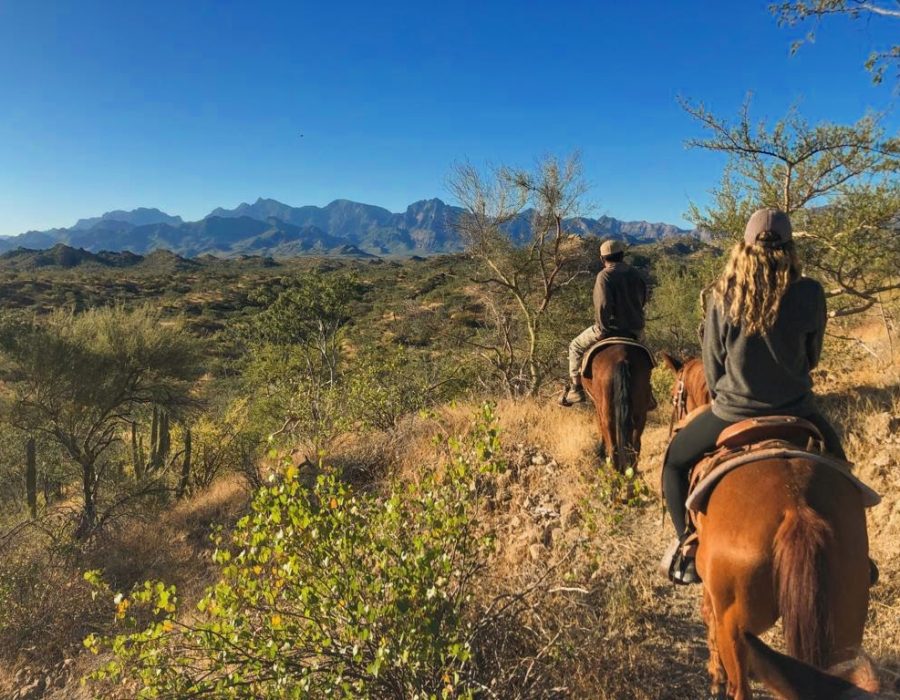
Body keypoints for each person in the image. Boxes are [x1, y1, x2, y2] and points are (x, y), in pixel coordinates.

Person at [660, 207, 846, 585]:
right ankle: (855, 552)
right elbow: (813, 357)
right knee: (841, 465)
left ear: (744, 247)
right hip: (799, 410)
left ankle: (688, 544)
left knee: (674, 464)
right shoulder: (811, 292)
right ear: (790, 248)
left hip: (732, 412)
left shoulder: (724, 294)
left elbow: (713, 369)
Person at [559, 239, 648, 406]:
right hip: (635, 329)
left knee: (575, 346)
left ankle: (576, 388)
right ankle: (648, 392)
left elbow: (602, 305)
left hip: (609, 328)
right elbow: (642, 298)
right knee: (646, 356)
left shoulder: (604, 275)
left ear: (602, 259)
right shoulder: (636, 274)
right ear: (622, 256)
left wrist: (602, 328)